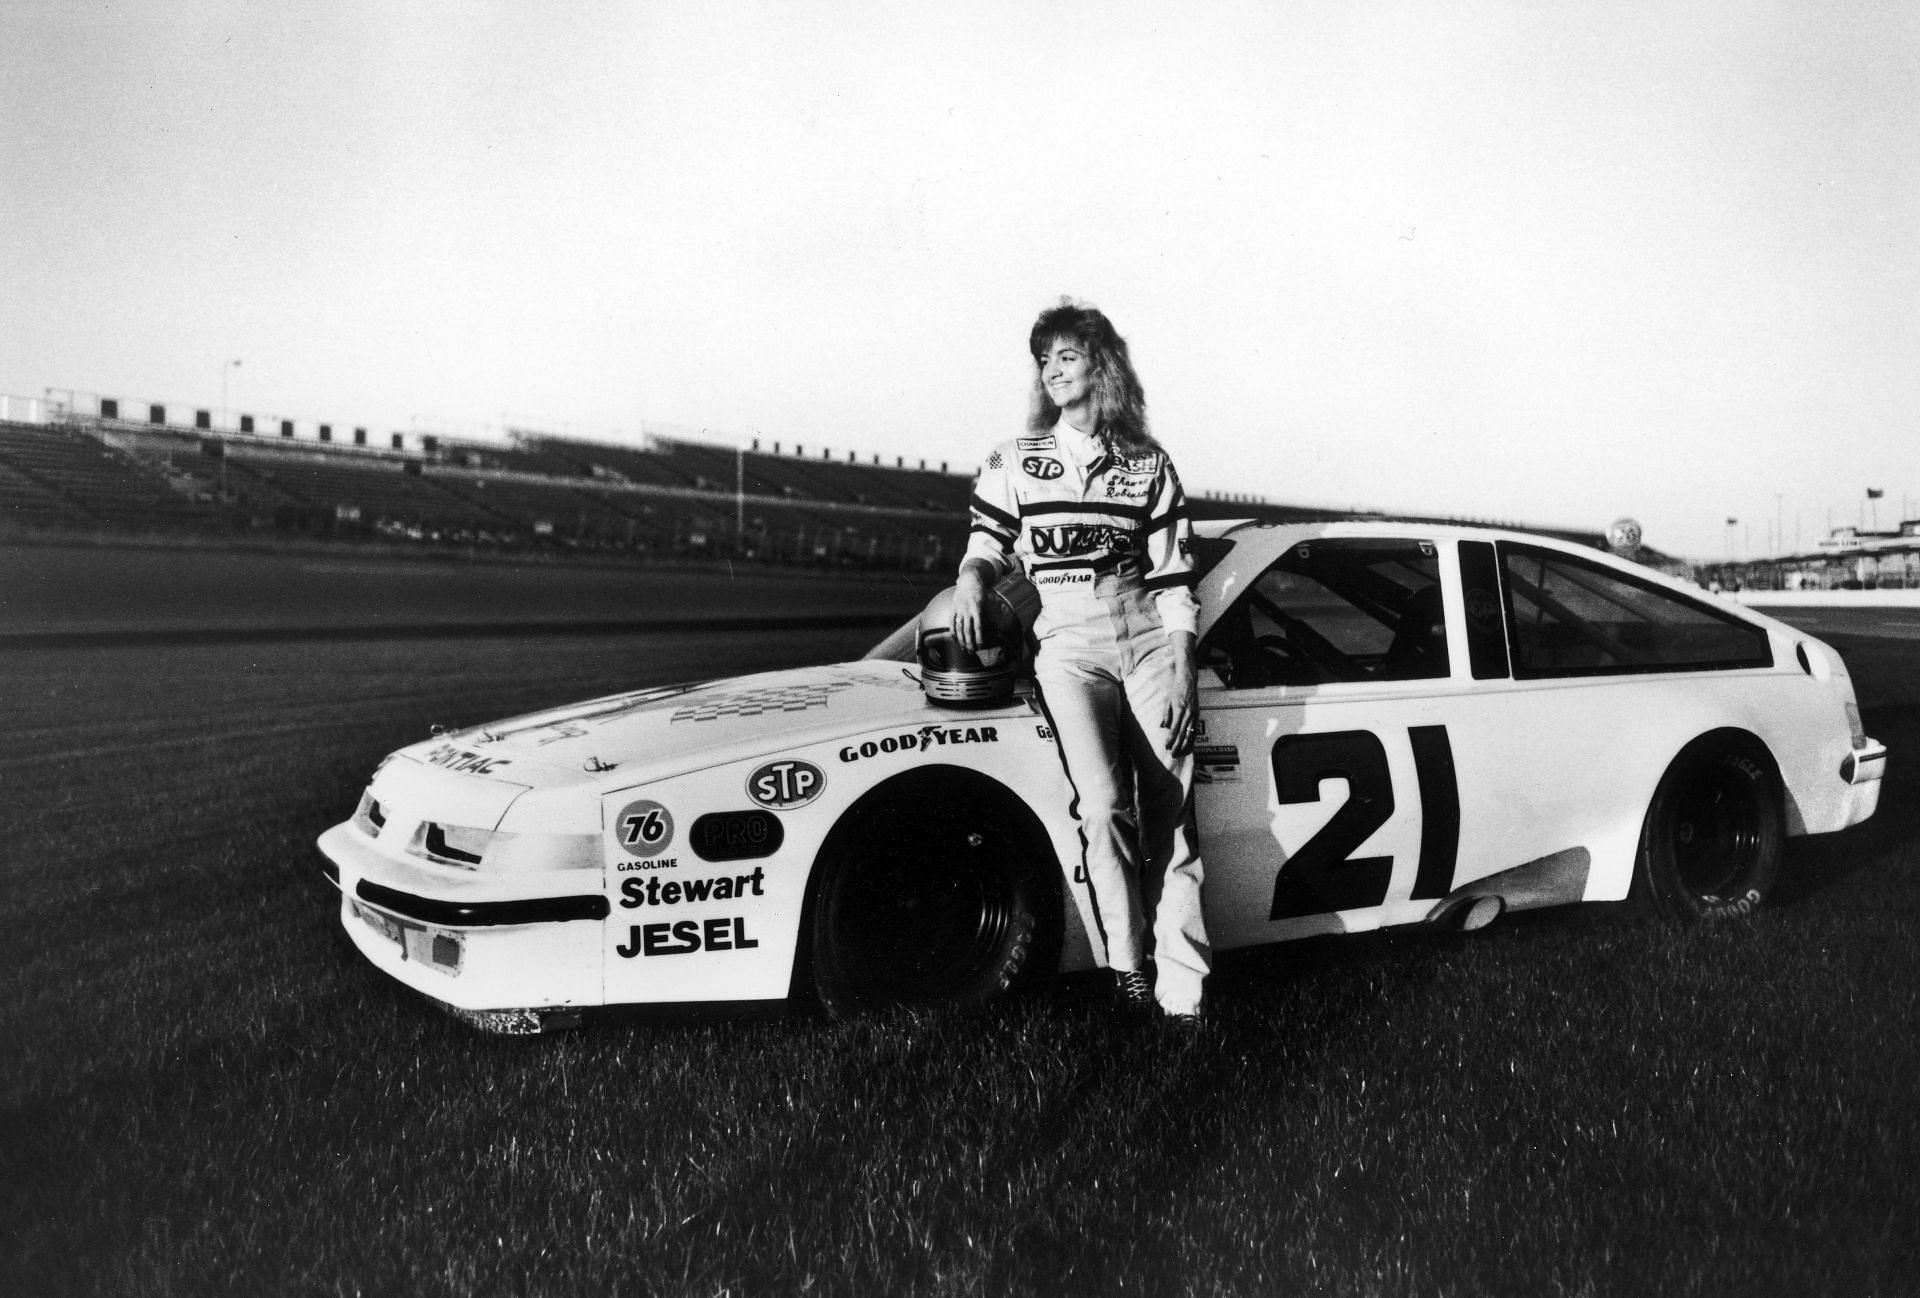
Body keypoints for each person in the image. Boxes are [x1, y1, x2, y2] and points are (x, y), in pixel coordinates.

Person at [950, 299, 1209, 1022]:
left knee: (1173, 813)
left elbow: (1174, 582)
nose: (1052, 369)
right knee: (1103, 808)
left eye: (1066, 355)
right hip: (1067, 645)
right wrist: (971, 577)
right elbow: (987, 545)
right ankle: (1128, 969)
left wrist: (1185, 666)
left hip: (1150, 639)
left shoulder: (1149, 464)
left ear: (1102, 364)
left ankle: (1185, 990)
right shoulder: (1016, 458)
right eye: (1044, 359)